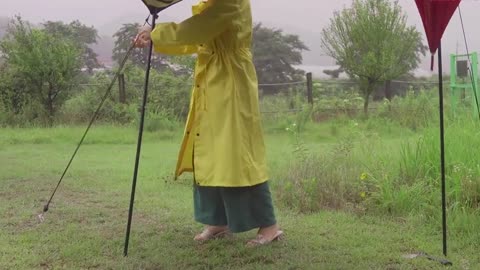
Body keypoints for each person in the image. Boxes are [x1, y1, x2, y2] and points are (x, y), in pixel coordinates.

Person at [135, 0, 283, 246]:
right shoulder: (212, 3)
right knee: (207, 152)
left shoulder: (231, 2)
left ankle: (269, 226)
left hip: (232, 82)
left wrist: (156, 33)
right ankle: (216, 221)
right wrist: (155, 39)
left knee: (237, 155)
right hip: (211, 80)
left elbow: (198, 29)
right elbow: (196, 40)